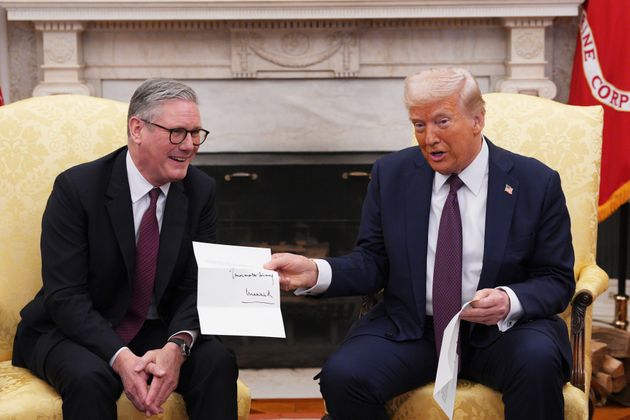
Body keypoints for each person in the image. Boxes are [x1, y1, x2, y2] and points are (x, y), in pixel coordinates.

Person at [264, 67, 575, 420]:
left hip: (503, 332)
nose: (429, 138)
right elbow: (373, 261)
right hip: (415, 329)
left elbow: (556, 279)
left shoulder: (536, 182)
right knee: (343, 376)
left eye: (442, 122)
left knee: (537, 362)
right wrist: (315, 272)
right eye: (419, 124)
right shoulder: (392, 174)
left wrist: (509, 300)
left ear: (477, 120)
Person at [12, 78, 238, 419]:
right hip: (71, 328)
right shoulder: (77, 189)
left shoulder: (199, 191)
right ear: (137, 129)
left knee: (217, 362)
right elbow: (65, 296)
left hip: (155, 328)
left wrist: (176, 346)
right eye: (177, 132)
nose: (190, 145)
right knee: (91, 377)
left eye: (196, 133)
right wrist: (120, 357)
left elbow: (198, 283)